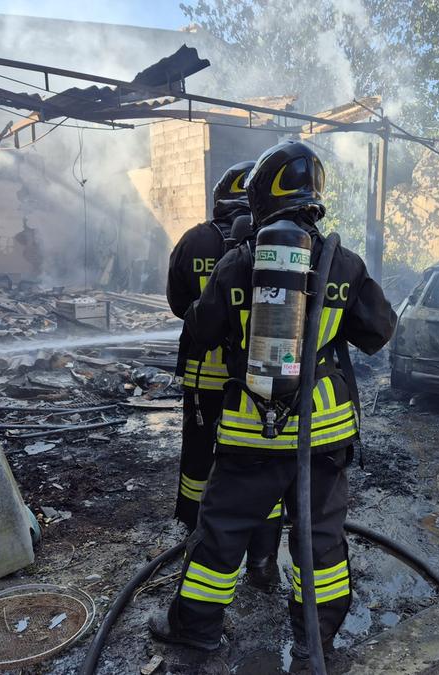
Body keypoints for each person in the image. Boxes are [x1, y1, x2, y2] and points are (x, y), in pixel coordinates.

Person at [149, 141, 397, 657]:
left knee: (221, 533)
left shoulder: (238, 262)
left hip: (251, 430)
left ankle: (197, 627)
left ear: (261, 197)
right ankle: (315, 640)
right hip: (323, 435)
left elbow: (199, 329)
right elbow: (379, 331)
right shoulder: (344, 263)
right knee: (320, 542)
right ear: (315, 198)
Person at [166, 162, 284, 586]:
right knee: (259, 463)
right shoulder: (272, 246)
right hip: (254, 384)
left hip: (204, 376)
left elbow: (179, 305)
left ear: (218, 198)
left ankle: (193, 533)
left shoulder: (193, 240)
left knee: (198, 459)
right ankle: (261, 556)